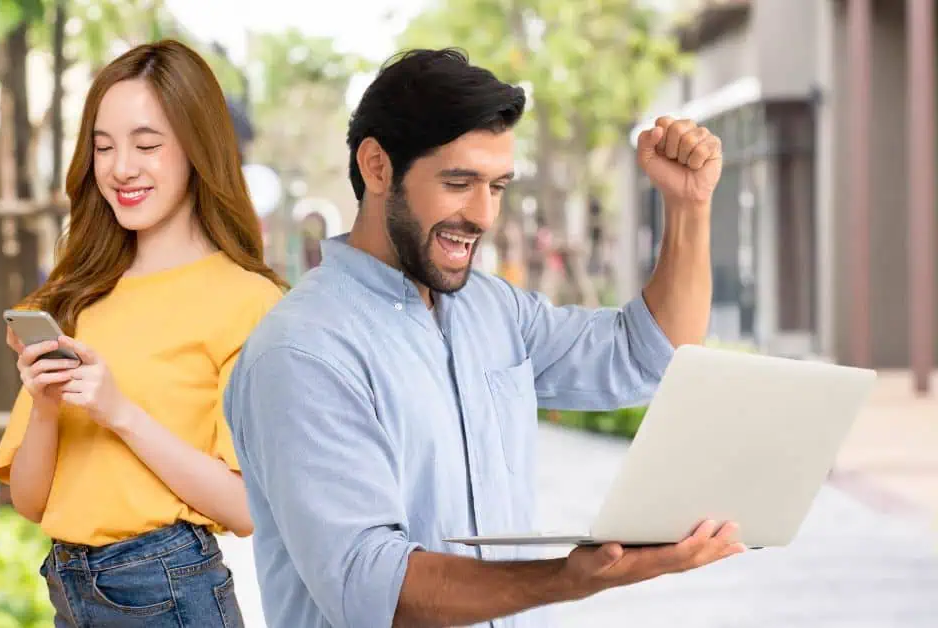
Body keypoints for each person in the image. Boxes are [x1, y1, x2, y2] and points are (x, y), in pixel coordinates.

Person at [224, 48, 742, 628]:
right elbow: (370, 587)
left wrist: (689, 206)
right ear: (376, 166)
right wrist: (568, 579)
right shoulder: (302, 353)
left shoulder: (490, 308)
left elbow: (645, 354)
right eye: (458, 181)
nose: (482, 214)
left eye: (496, 186)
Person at [0, 39, 286, 627]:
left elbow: (250, 508)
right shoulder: (76, 294)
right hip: (68, 593)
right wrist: (47, 407)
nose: (120, 167)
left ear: (197, 150)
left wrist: (118, 411)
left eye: (146, 144)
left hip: (170, 593)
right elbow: (30, 501)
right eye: (103, 147)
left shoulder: (250, 302)